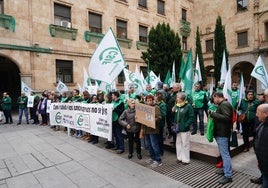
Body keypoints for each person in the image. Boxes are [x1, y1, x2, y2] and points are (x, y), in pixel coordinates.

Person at [209, 92, 233, 185]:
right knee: (224, 154)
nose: (213, 101)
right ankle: (224, 170)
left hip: (222, 133)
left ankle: (228, 176)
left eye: (214, 99)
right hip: (221, 132)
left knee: (225, 155)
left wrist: (213, 114)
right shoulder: (223, 104)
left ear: (217, 97)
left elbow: (227, 118)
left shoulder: (224, 104)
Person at [172, 92, 194, 164]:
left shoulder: (188, 106)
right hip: (177, 128)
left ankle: (186, 159)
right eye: (177, 97)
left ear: (182, 99)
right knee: (178, 143)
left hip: (184, 128)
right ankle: (179, 157)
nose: (176, 99)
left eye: (178, 98)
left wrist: (186, 125)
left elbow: (191, 117)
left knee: (185, 144)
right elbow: (173, 116)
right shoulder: (177, 106)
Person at [142, 95, 162, 167]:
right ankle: (152, 157)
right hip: (146, 129)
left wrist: (151, 121)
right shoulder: (145, 108)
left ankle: (158, 160)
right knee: (149, 145)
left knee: (154, 145)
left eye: (151, 100)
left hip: (153, 130)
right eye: (148, 100)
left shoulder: (156, 107)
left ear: (153, 100)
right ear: (146, 101)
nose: (149, 102)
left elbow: (159, 117)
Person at [254, 104, 268, 188]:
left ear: (266, 113)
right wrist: (259, 161)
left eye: (258, 112)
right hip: (263, 164)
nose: (256, 114)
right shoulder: (262, 124)